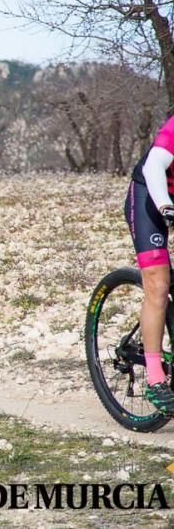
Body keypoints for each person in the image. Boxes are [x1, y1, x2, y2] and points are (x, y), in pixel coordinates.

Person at [126, 115, 174, 415]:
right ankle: (155, 376)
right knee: (158, 285)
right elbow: (155, 164)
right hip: (151, 196)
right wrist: (165, 204)